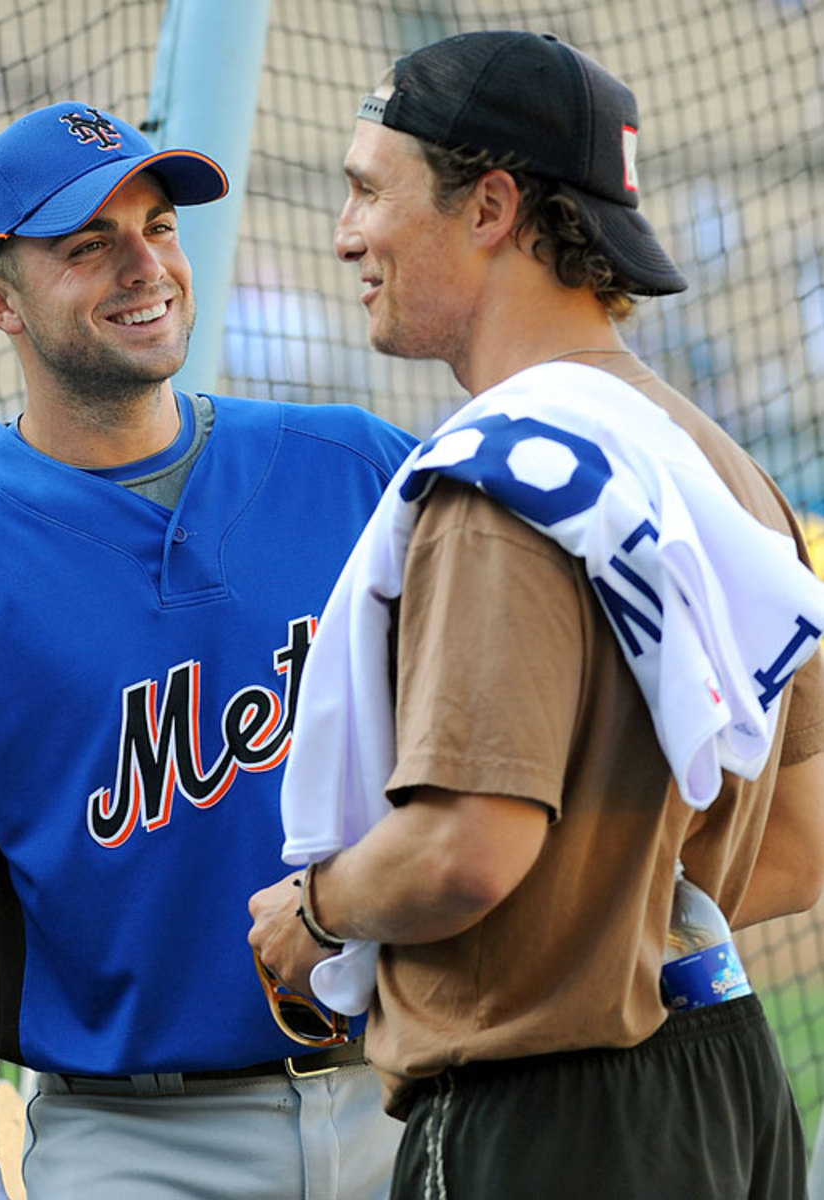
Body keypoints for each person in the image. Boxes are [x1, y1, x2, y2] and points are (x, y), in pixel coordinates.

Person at [248, 30, 824, 1199]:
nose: (348, 232)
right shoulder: (717, 460)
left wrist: (314, 914)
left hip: (552, 1117)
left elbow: (468, 850)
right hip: (724, 1091)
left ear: (493, 206)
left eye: (369, 190)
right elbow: (807, 845)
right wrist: (605, 918)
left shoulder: (495, 480)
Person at [0, 100, 416, 1200]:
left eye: (156, 225)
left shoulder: (357, 466)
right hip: (138, 1143)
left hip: (406, 1084)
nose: (142, 265)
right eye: (85, 244)